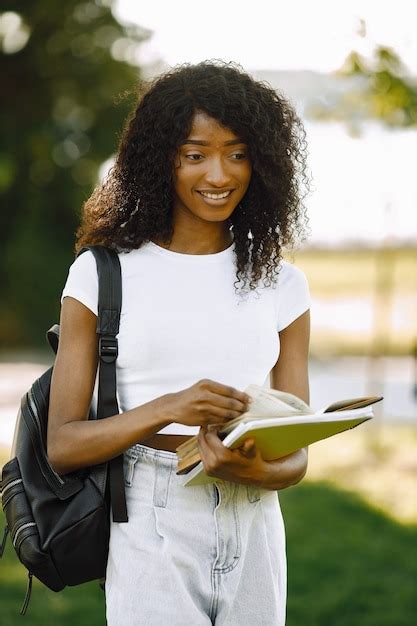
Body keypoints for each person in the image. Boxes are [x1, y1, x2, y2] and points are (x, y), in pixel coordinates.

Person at [47, 60, 311, 625]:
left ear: (262, 162)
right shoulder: (101, 274)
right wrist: (170, 407)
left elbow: (298, 451)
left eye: (238, 153)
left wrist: (265, 473)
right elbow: (63, 444)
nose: (219, 174)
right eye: (195, 154)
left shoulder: (282, 283)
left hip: (257, 521)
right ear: (160, 158)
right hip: (148, 511)